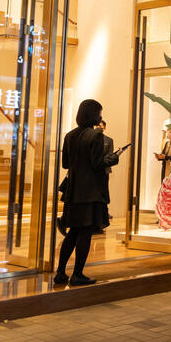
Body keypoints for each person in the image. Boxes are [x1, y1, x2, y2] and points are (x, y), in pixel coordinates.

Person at [55, 100, 113, 287]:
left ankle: (60, 272)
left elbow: (65, 163)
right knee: (85, 232)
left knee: (73, 232)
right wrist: (113, 158)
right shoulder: (96, 135)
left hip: (73, 191)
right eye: (99, 113)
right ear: (94, 114)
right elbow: (97, 164)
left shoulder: (69, 135)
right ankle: (78, 273)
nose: (100, 117)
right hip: (90, 192)